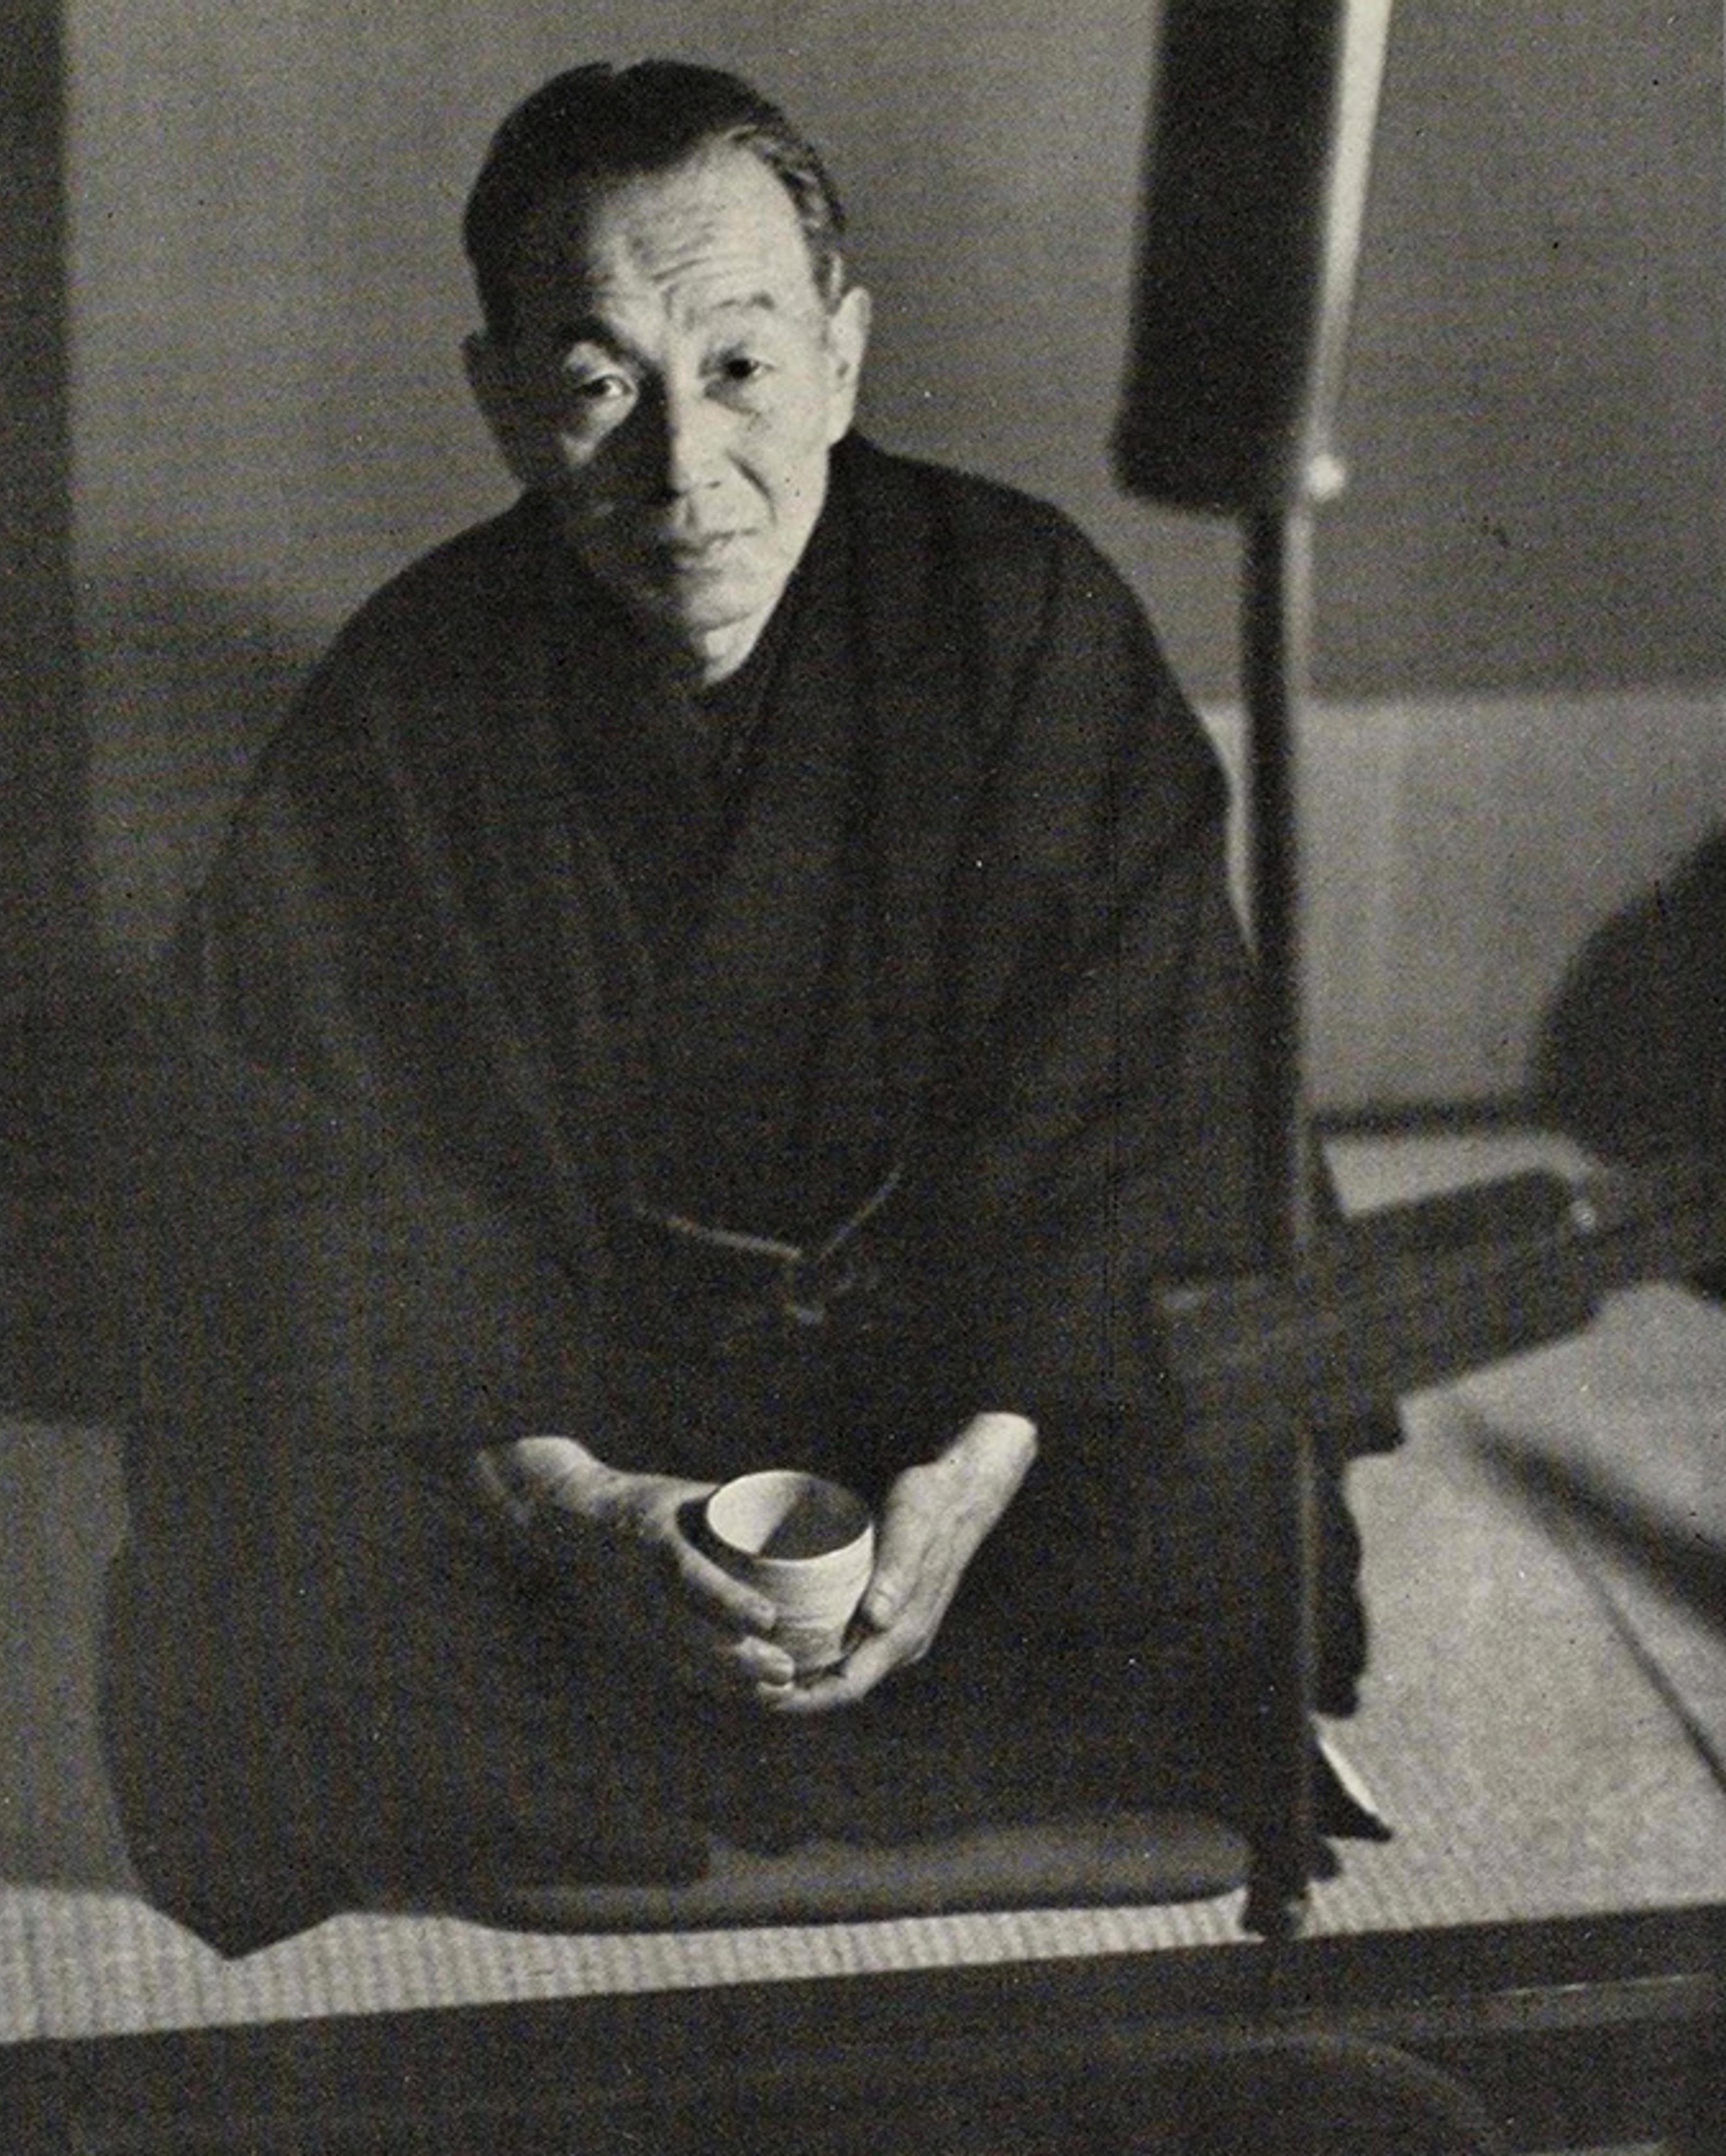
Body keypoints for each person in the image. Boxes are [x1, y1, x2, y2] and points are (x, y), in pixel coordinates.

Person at [99, 59, 1382, 1956]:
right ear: (502, 401)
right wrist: (571, 1507)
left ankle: (698, 1751)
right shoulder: (411, 695)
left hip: (979, 1378)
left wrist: (972, 1475)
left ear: (846, 358)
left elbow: (1156, 1093)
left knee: (1235, 1503)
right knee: (266, 1573)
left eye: (742, 367)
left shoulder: (1022, 622)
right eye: (602, 378)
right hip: (567, 1401)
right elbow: (295, 1158)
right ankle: (861, 1732)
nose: (682, 469)